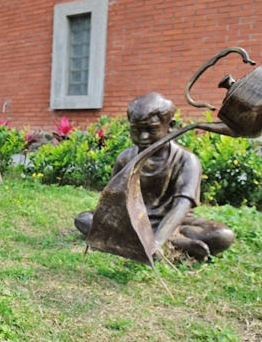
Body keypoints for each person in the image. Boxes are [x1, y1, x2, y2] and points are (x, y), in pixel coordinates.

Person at [74, 92, 235, 261]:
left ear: (170, 125)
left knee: (222, 235)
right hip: (133, 222)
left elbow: (181, 206)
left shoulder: (186, 160)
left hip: (174, 223)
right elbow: (113, 200)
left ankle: (157, 241)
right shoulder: (125, 158)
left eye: (151, 129)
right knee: (84, 219)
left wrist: (158, 240)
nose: (143, 137)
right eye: (136, 130)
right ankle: (176, 244)